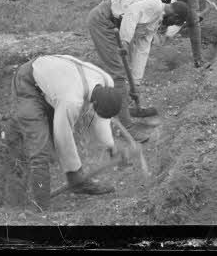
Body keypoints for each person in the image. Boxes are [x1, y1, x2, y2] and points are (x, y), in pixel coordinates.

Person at [10, 53, 128, 209]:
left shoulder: (106, 81)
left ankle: (77, 184)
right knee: (40, 150)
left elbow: (100, 118)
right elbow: (63, 138)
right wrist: (74, 170)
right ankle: (41, 207)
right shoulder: (71, 101)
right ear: (94, 104)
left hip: (54, 80)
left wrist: (111, 145)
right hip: (28, 84)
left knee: (58, 136)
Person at [86, 0, 192, 138]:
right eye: (174, 22)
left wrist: (136, 82)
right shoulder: (154, 6)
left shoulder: (155, 21)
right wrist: (124, 41)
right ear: (175, 16)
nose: (170, 25)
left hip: (114, 25)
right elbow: (132, 12)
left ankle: (119, 104)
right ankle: (127, 127)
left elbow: (143, 49)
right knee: (118, 74)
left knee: (121, 71)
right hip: (102, 21)